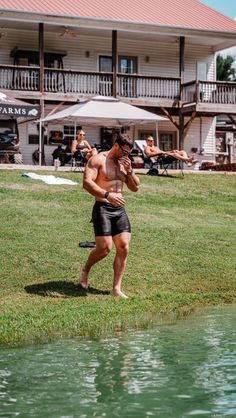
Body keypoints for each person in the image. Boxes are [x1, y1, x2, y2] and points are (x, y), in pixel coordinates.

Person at [79, 133, 140, 298]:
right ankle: (85, 269)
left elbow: (135, 188)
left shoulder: (124, 163)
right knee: (104, 248)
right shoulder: (98, 160)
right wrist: (107, 195)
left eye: (129, 153)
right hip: (102, 207)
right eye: (124, 151)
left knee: (124, 247)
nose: (126, 155)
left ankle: (116, 288)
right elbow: (86, 182)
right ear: (116, 145)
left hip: (119, 210)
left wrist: (129, 171)